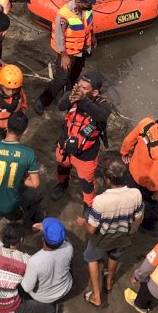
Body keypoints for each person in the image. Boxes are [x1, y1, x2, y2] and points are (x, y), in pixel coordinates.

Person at [76, 158, 143, 308]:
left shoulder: (100, 200)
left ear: (107, 179)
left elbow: (92, 229)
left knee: (91, 258)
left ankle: (97, 296)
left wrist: (83, 223)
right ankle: (109, 281)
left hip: (102, 238)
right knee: (114, 255)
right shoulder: (136, 194)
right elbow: (138, 219)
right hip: (122, 234)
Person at [53, 72, 112, 211]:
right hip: (65, 144)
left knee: (86, 182)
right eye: (79, 86)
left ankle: (88, 204)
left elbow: (101, 116)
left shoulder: (104, 105)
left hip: (86, 154)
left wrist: (83, 99)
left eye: (85, 88)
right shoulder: (72, 95)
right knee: (62, 167)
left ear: (95, 92)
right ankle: (62, 184)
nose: (80, 90)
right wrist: (70, 96)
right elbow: (60, 106)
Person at [34, 0, 97, 114]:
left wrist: (93, 36)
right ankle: (43, 100)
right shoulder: (64, 15)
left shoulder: (87, 9)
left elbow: (89, 25)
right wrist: (64, 55)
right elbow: (59, 36)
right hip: (68, 52)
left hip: (82, 49)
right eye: (88, 3)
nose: (90, 6)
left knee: (75, 74)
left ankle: (68, 97)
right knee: (61, 78)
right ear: (79, 1)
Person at [19, 218, 73, 313]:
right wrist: (46, 229)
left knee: (20, 286)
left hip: (44, 297)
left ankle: (47, 309)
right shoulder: (69, 247)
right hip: (65, 288)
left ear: (43, 239)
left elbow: (27, 288)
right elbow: (63, 239)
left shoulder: (35, 261)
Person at [0, 223, 31, 313]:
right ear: (21, 240)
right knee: (46, 308)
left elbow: (0, 244)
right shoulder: (25, 260)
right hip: (7, 309)